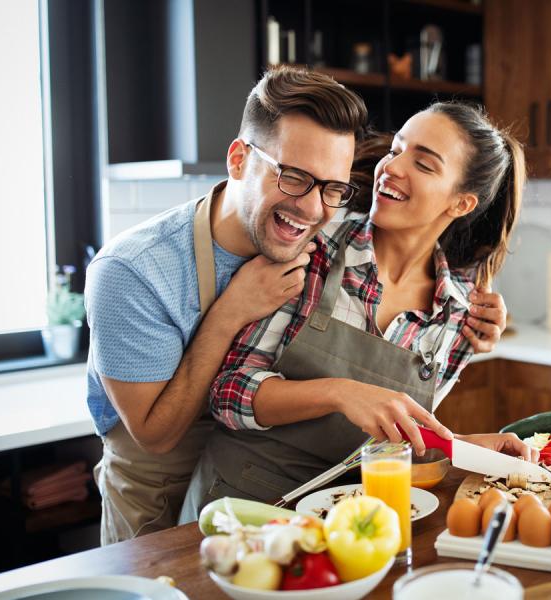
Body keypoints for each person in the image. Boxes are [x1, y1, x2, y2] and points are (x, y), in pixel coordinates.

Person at [180, 100, 531, 519]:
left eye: (423, 164)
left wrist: (463, 446)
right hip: (241, 508)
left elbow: (395, 441)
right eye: (397, 149)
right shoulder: (312, 248)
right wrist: (338, 392)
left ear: (460, 204)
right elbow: (228, 394)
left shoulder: (457, 315)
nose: (393, 167)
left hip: (353, 519)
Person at [84, 67, 368, 545]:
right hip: (158, 500)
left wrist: (476, 316)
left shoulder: (316, 241)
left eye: (332, 188)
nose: (314, 209)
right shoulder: (132, 271)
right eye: (295, 177)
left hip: (266, 496)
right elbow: (154, 435)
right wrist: (229, 313)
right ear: (239, 160)